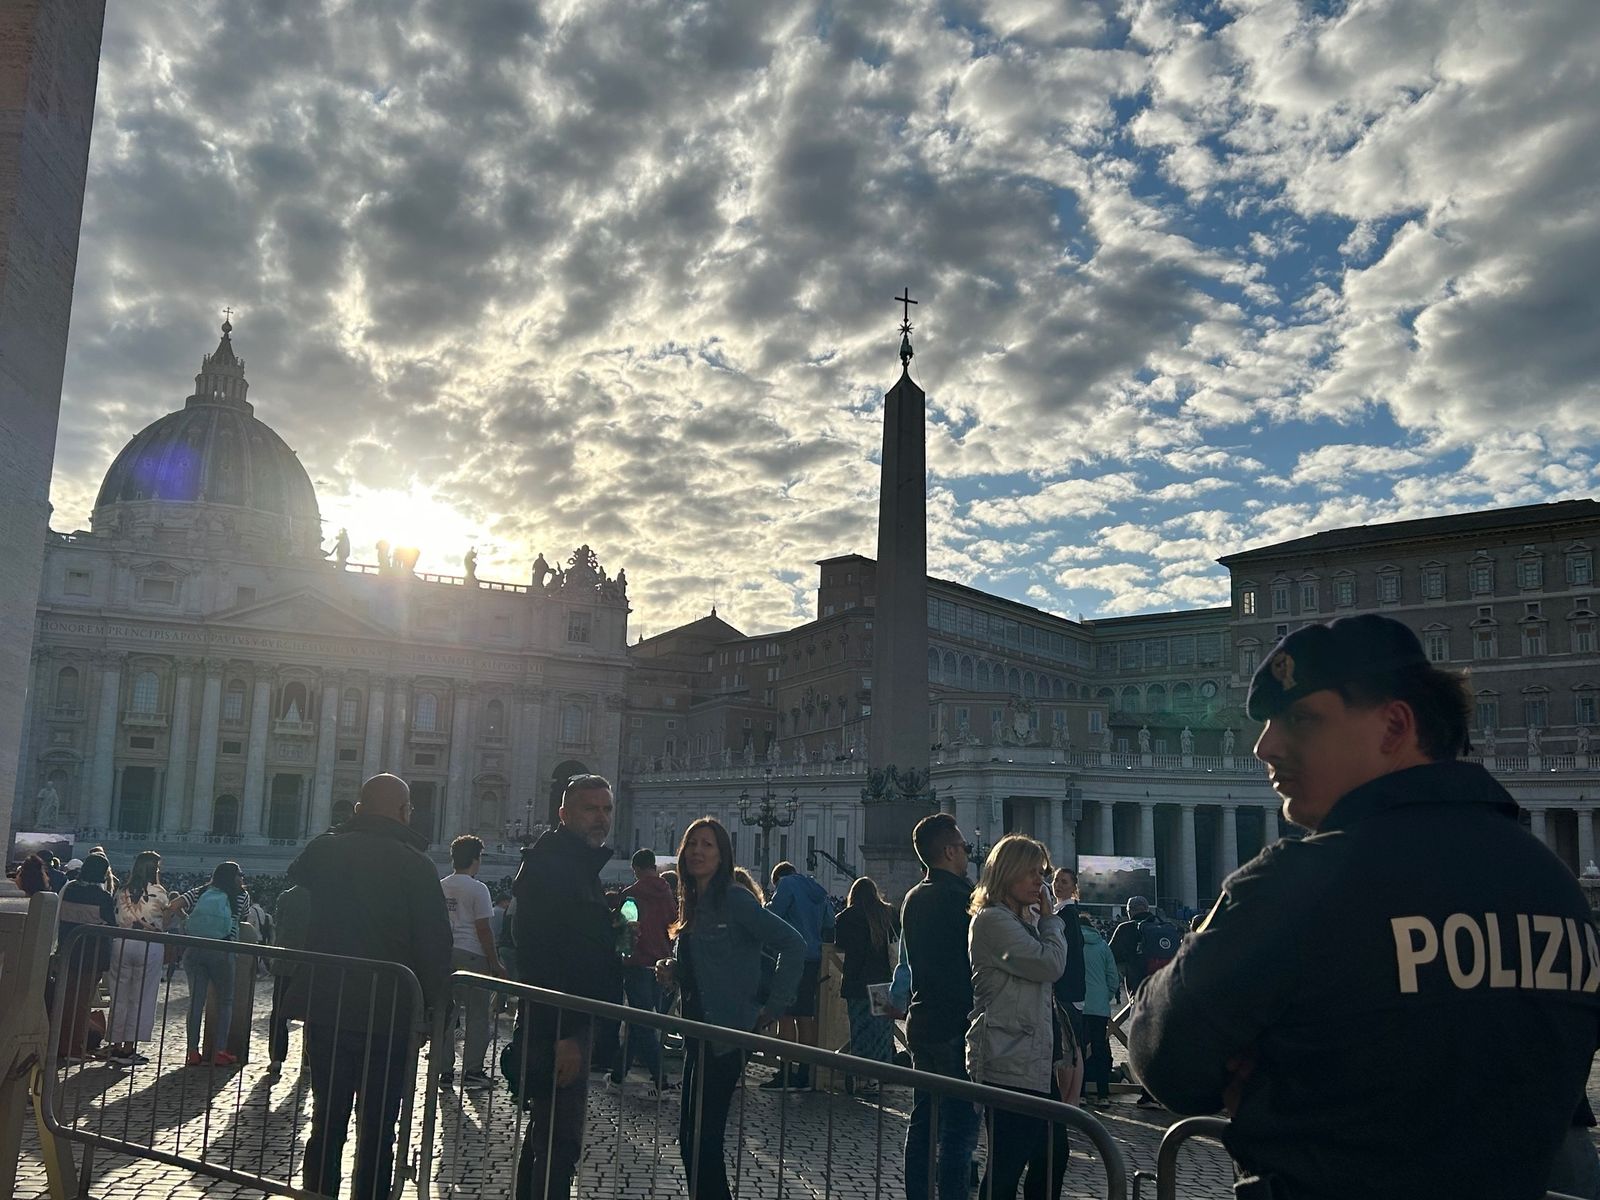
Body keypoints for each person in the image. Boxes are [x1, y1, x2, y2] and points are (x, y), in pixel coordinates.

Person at [1126, 614, 1600, 1199]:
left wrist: (1269, 1073)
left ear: (1394, 726)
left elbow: (1164, 1057)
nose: (1264, 745)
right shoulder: (1556, 887)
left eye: (1301, 718)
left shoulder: (1302, 882)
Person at [286, 774, 452, 1200]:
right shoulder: (417, 864)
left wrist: (351, 824)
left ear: (358, 809)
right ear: (404, 812)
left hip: (329, 1004)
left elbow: (297, 872)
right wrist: (436, 1011)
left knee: (326, 1120)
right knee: (378, 1128)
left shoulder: (327, 850)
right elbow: (434, 943)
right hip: (390, 1011)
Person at [656, 817, 804, 1200]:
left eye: (708, 845)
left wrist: (774, 1006)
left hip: (726, 1034)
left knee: (704, 1137)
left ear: (723, 856)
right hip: (698, 1033)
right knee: (690, 1136)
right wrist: (674, 968)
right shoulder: (693, 901)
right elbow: (707, 964)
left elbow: (793, 944)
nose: (698, 851)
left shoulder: (735, 899)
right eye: (692, 844)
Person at [511, 774, 624, 1200]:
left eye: (607, 809)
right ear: (563, 814)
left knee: (546, 1132)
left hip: (563, 1018)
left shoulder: (571, 863)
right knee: (561, 1140)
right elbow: (543, 956)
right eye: (590, 809)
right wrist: (568, 1034)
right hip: (561, 1023)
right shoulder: (557, 867)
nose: (601, 818)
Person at [965, 835, 1068, 1200]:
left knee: (1052, 1154)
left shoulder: (1021, 921)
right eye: (1031, 873)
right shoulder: (993, 921)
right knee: (1007, 1167)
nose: (1040, 882)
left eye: (1041, 873)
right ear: (1007, 872)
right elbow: (1049, 964)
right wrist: (1051, 922)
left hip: (1031, 1055)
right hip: (1008, 1055)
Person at [900, 813, 981, 1200]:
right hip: (956, 1024)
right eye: (964, 847)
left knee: (923, 1121)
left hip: (922, 1021)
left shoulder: (913, 897)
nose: (967, 853)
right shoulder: (962, 899)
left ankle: (917, 1193)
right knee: (959, 1128)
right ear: (949, 851)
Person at [761, 860, 835, 1090]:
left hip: (791, 956)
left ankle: (785, 1072)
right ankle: (804, 1073)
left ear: (777, 880)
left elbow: (773, 915)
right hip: (815, 958)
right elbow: (829, 923)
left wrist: (763, 906)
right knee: (805, 1015)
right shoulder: (817, 890)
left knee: (785, 1014)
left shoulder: (786, 885)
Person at [439, 834, 505, 1091]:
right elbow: (483, 929)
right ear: (476, 859)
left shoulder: (441, 885)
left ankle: (444, 1070)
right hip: (473, 955)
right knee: (478, 1016)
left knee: (447, 1014)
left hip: (447, 954)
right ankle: (473, 1071)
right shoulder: (478, 889)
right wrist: (494, 962)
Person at [609, 847, 677, 1093]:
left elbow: (625, 933)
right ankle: (617, 1077)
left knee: (643, 1024)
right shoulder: (667, 893)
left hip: (637, 963)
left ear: (635, 868)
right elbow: (673, 926)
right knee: (641, 1023)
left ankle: (661, 1080)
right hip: (660, 965)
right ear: (654, 867)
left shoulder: (631, 894)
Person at [177, 861, 245, 1067]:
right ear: (234, 877)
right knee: (225, 1002)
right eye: (240, 874)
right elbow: (242, 918)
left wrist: (188, 922)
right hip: (223, 950)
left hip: (195, 948)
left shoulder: (200, 892)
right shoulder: (240, 896)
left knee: (196, 1002)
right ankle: (220, 1051)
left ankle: (192, 1051)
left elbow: (174, 905)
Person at [833, 876, 898, 1088]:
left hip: (857, 983)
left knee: (860, 1031)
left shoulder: (847, 917)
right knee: (881, 1033)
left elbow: (840, 944)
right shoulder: (888, 914)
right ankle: (878, 1076)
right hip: (882, 983)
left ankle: (860, 1075)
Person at [106, 850, 168, 1066]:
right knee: (142, 997)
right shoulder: (158, 892)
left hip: (121, 943)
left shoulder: (121, 890)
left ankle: (115, 1044)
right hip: (148, 945)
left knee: (119, 996)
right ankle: (129, 1047)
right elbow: (164, 922)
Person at [56, 852, 116, 1062]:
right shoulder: (102, 897)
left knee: (65, 1000)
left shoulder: (69, 890)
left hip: (68, 952)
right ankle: (75, 1048)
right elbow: (111, 926)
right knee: (82, 1003)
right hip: (92, 956)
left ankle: (60, 1044)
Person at [266, 882, 312, 1078]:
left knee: (279, 1013)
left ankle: (276, 1058)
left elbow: (279, 927)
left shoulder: (286, 896)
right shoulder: (323, 897)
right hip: (311, 964)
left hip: (285, 962)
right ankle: (308, 1059)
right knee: (312, 1014)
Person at [1078, 914, 1120, 1108]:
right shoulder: (1103, 946)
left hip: (1077, 1004)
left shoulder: (1073, 943)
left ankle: (1080, 1093)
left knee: (1078, 1050)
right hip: (1099, 1007)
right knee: (1100, 1049)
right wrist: (1106, 996)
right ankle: (1103, 1094)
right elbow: (1113, 977)